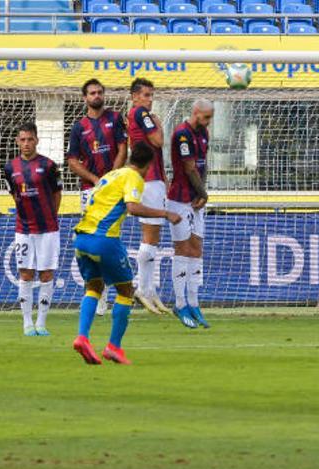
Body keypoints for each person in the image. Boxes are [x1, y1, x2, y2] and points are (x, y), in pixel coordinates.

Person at [72, 142, 182, 365]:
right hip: (103, 239)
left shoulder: (112, 175)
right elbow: (132, 207)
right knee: (125, 290)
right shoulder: (134, 177)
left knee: (94, 287)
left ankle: (83, 337)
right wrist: (165, 213)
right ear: (149, 165)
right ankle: (114, 347)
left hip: (81, 238)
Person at [66, 78, 128, 316]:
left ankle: (118, 295)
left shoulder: (114, 118)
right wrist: (95, 180)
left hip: (113, 188)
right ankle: (97, 296)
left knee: (110, 241)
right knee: (92, 243)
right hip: (90, 190)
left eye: (100, 92)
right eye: (92, 93)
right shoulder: (78, 127)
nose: (96, 96)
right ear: (85, 98)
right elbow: (72, 161)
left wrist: (111, 178)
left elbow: (123, 148)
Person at [4, 122, 63, 337]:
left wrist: (49, 215)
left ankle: (41, 322)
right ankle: (27, 323)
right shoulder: (10, 167)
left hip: (48, 228)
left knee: (46, 274)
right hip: (24, 228)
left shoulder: (49, 166)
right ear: (18, 142)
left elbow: (57, 194)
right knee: (25, 273)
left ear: (37, 140)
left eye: (30, 139)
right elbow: (14, 194)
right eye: (23, 139)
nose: (26, 143)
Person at [168, 99, 213, 329]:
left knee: (196, 248)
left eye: (211, 117)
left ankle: (194, 303)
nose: (208, 121)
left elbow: (203, 166)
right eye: (206, 117)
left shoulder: (203, 132)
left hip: (196, 199)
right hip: (179, 199)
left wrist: (202, 195)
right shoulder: (181, 134)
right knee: (182, 249)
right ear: (195, 113)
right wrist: (203, 192)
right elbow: (189, 168)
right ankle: (179, 303)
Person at [127, 78, 171, 315]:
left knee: (152, 237)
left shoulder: (136, 113)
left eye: (151, 95)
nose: (149, 100)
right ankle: (143, 288)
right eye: (145, 95)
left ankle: (148, 288)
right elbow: (158, 141)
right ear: (134, 96)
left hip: (153, 178)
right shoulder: (141, 113)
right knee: (150, 236)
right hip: (150, 178)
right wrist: (159, 125)